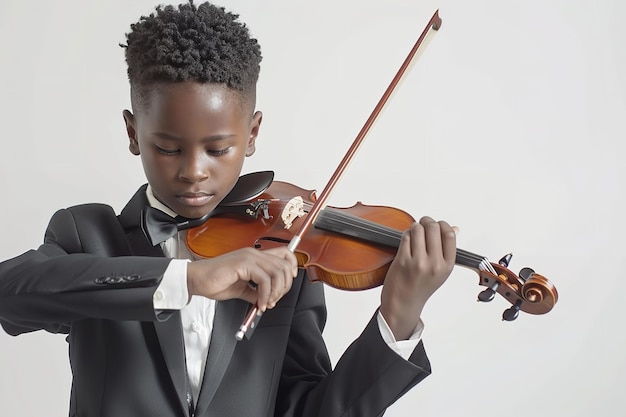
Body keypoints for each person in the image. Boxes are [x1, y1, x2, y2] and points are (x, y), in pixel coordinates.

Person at [0, 2, 457, 416]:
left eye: (218, 150)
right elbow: (10, 295)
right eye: (167, 148)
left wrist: (398, 319)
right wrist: (189, 279)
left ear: (252, 134)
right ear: (133, 132)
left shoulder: (287, 260)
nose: (194, 172)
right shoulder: (86, 233)